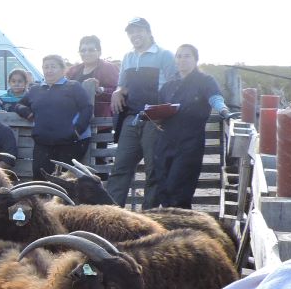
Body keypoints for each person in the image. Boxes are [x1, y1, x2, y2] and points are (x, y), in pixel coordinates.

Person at [105, 17, 177, 208]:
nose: (134, 35)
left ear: (148, 32)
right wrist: (117, 91)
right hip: (131, 117)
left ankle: (149, 216)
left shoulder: (164, 55)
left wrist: (165, 114)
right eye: (131, 32)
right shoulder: (128, 57)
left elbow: (174, 86)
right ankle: (112, 215)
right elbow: (123, 85)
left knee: (153, 170)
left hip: (155, 118)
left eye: (139, 31)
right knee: (120, 167)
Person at [151, 44, 231, 209]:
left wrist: (223, 110)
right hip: (164, 143)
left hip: (189, 143)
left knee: (179, 190)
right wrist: (151, 118)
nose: (182, 60)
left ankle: (182, 228)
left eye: (187, 56)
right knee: (164, 188)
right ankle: (170, 229)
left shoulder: (205, 81)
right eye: (179, 56)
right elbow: (158, 110)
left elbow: (215, 97)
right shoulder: (168, 86)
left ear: (195, 59)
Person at [12, 54, 93, 182]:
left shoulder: (73, 87)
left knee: (66, 183)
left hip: (69, 144)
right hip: (42, 144)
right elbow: (18, 104)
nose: (49, 70)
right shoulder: (35, 90)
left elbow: (87, 108)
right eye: (46, 67)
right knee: (41, 182)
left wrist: (77, 131)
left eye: (53, 67)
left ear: (63, 69)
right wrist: (26, 112)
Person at [65, 36, 119, 119]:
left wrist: (100, 90)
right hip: (74, 118)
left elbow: (118, 91)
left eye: (91, 50)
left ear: (99, 52)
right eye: (83, 50)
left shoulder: (109, 68)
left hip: (99, 119)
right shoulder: (72, 70)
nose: (86, 53)